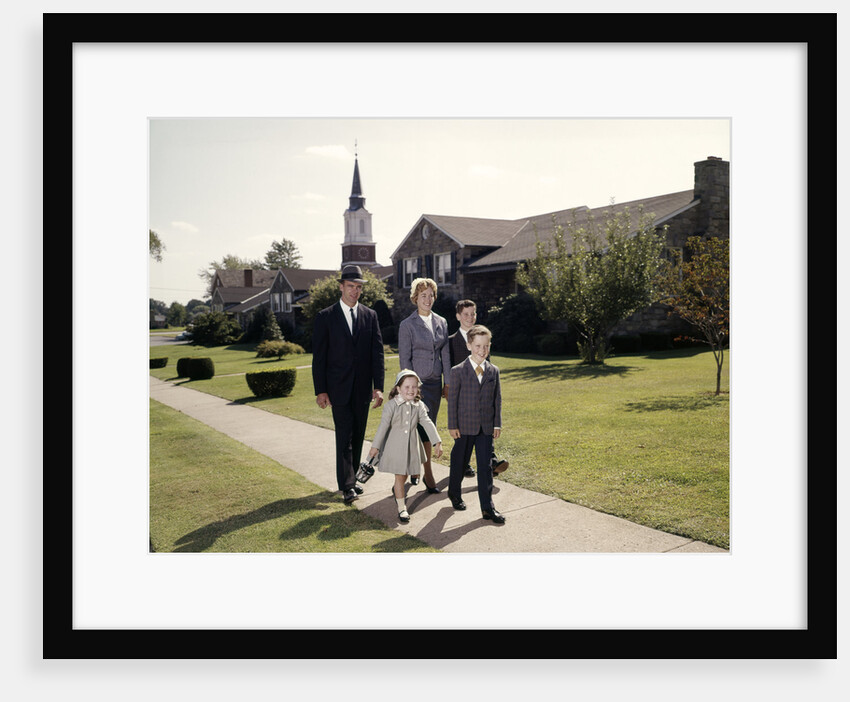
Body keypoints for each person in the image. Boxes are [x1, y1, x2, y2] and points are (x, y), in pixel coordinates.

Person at [312, 265, 385, 505]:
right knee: (344, 437)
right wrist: (321, 390)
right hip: (338, 388)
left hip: (363, 388)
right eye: (351, 286)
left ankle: (351, 481)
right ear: (341, 286)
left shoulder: (370, 315)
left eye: (359, 287)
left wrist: (378, 386)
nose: (355, 291)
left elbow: (377, 354)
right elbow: (319, 357)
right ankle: (347, 486)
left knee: (358, 435)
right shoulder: (325, 317)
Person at [447, 324, 506, 523]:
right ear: (469, 345)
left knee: (485, 467)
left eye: (486, 346)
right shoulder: (458, 371)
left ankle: (487, 508)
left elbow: (497, 399)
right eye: (478, 346)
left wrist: (496, 424)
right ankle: (454, 493)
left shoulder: (493, 371)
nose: (482, 350)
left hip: (486, 428)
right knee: (460, 462)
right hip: (463, 426)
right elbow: (453, 400)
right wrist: (452, 425)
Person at [397, 277, 450, 493]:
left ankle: (422, 471)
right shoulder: (407, 325)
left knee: (428, 427)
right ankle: (418, 473)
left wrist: (448, 382)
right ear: (415, 298)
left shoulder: (442, 322)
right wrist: (409, 388)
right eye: (423, 296)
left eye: (430, 295)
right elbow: (404, 359)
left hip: (435, 383)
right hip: (415, 387)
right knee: (414, 430)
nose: (427, 299)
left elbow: (445, 354)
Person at [368, 370, 443, 523]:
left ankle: (398, 488)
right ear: (398, 388)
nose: (411, 390)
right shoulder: (391, 406)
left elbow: (427, 423)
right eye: (407, 387)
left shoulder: (419, 405)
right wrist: (375, 447)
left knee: (406, 474)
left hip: (412, 446)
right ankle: (402, 508)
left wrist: (437, 442)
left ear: (418, 388)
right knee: (400, 476)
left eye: (414, 387)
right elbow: (382, 427)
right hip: (395, 447)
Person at [447, 300, 509, 479]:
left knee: (484, 428)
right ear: (458, 316)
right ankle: (464, 463)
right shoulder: (452, 341)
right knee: (463, 435)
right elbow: (448, 365)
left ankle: (491, 461)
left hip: (483, 394)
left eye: (473, 314)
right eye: (466, 314)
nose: (470, 317)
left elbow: (488, 364)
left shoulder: (483, 338)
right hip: (462, 396)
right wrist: (448, 386)